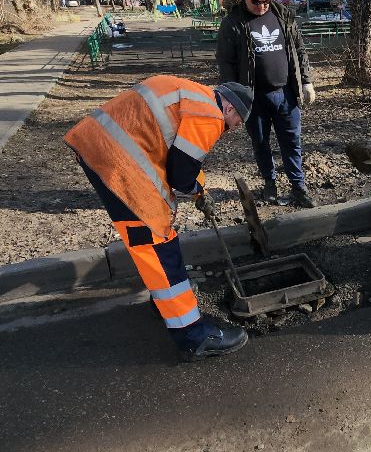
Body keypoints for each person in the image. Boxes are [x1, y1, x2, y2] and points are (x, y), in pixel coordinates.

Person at [64, 77, 254, 360]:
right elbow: (181, 173)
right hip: (121, 164)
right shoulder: (210, 114)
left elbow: (173, 152)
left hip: (100, 146)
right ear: (230, 108)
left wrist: (197, 186)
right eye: (235, 123)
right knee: (158, 243)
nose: (229, 130)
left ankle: (163, 301)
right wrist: (197, 191)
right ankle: (193, 335)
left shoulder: (191, 94)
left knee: (149, 238)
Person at [216, 0, 317, 208]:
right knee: (260, 142)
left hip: (286, 94)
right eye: (256, 1)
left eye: (266, 0)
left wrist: (306, 80)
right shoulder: (233, 23)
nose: (262, 6)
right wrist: (231, 98)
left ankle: (298, 186)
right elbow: (226, 63)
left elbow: (299, 51)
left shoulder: (284, 16)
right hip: (253, 98)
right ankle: (269, 184)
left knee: (292, 141)